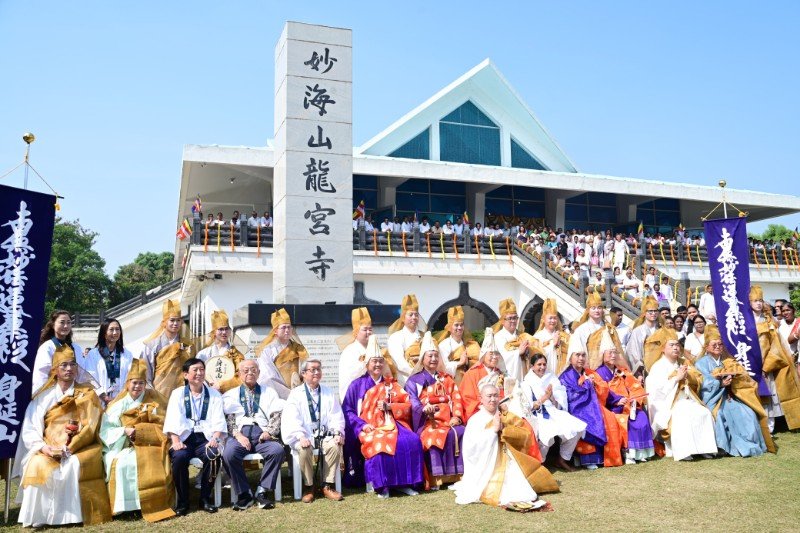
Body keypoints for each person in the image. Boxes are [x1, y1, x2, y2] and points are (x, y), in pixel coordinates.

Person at [13, 344, 112, 527]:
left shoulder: (87, 394)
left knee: (73, 465)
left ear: (77, 368)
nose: (68, 369)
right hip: (48, 447)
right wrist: (44, 448)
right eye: (64, 365)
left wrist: (71, 447)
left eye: (72, 365)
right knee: (37, 464)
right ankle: (39, 518)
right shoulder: (43, 397)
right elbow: (31, 427)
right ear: (55, 370)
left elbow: (91, 426)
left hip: (80, 446)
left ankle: (71, 517)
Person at [342, 337, 424, 498]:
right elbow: (348, 410)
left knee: (411, 440)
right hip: (369, 426)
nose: (378, 364)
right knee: (380, 443)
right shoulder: (356, 385)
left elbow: (406, 405)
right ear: (366, 364)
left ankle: (405, 483)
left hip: (394, 424)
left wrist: (391, 407)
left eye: (380, 361)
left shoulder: (391, 384)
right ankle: (383, 485)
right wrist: (362, 426)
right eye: (374, 361)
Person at [452, 384, 555, 511]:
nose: (493, 399)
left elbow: (521, 431)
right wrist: (493, 431)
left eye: (496, 396)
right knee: (504, 494)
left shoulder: (504, 414)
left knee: (526, 493)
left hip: (507, 460)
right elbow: (471, 449)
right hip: (486, 468)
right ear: (481, 398)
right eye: (489, 396)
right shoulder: (475, 420)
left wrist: (506, 429)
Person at [100, 359, 174, 522]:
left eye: (141, 383)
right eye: (134, 383)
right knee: (122, 464)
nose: (137, 387)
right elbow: (105, 430)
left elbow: (163, 424)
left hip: (150, 444)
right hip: (124, 446)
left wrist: (142, 432)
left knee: (145, 462)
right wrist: (124, 431)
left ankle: (146, 503)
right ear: (127, 384)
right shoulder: (117, 405)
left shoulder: (154, 402)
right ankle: (124, 507)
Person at [695, 328, 773, 457]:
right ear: (707, 347)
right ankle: (723, 447)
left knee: (747, 412)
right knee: (720, 415)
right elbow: (702, 383)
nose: (718, 347)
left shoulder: (728, 361)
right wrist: (720, 383)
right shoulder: (700, 363)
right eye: (714, 345)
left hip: (730, 397)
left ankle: (750, 443)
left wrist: (734, 380)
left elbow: (744, 377)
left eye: (720, 344)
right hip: (713, 399)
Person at [163, 358, 227, 515]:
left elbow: (219, 420)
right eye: (195, 370)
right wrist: (176, 441)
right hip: (184, 438)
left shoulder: (214, 395)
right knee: (179, 458)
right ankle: (183, 502)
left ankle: (205, 498)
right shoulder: (177, 394)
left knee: (213, 456)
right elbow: (172, 418)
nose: (199, 373)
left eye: (202, 370)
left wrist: (215, 439)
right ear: (186, 375)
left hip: (205, 438)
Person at [222, 359, 286, 510]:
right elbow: (228, 420)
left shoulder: (269, 392)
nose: (250, 373)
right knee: (229, 454)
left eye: (253, 370)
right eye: (245, 370)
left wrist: (269, 432)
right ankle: (244, 493)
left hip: (261, 433)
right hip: (240, 434)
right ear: (238, 373)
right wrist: (238, 435)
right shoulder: (231, 394)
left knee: (277, 450)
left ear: (259, 373)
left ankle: (262, 490)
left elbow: (276, 414)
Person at [645, 328, 717, 461]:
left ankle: (705, 449)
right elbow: (656, 392)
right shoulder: (658, 366)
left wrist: (688, 376)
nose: (675, 348)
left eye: (677, 345)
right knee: (683, 414)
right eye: (671, 345)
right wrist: (676, 379)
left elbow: (698, 379)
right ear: (663, 349)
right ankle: (685, 451)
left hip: (687, 398)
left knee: (703, 412)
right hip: (669, 403)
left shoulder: (684, 362)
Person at [404, 332, 465, 489]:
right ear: (423, 359)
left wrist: (457, 417)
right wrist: (424, 410)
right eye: (430, 356)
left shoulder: (447, 379)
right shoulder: (414, 380)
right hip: (428, 422)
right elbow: (412, 402)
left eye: (436, 356)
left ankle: (459, 476)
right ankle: (436, 478)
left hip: (449, 420)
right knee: (433, 436)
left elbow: (457, 398)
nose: (433, 359)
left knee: (461, 431)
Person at [282, 359, 345, 502]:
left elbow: (336, 415)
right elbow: (292, 418)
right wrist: (300, 436)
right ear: (303, 374)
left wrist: (337, 432)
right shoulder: (296, 394)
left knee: (334, 445)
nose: (316, 372)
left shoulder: (328, 392)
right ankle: (309, 486)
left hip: (324, 435)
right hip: (303, 435)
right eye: (313, 370)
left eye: (319, 369)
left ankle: (327, 485)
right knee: (304, 448)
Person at [509, 353, 585, 471]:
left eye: (544, 364)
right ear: (532, 366)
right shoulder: (526, 383)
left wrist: (552, 397)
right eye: (539, 364)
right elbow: (528, 407)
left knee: (577, 428)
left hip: (553, 411)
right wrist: (544, 397)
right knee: (547, 435)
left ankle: (562, 459)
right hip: (538, 415)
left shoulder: (552, 378)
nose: (542, 367)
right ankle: (541, 463)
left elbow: (561, 400)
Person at [559, 337, 626, 469]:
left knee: (609, 418)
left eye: (583, 355)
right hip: (577, 409)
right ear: (571, 358)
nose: (581, 358)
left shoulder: (590, 373)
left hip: (594, 406)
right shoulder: (565, 376)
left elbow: (604, 388)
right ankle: (587, 459)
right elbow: (571, 396)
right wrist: (587, 384)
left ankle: (605, 457)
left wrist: (616, 399)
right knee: (589, 420)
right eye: (577, 355)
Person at [593, 330, 655, 464]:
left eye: (614, 352)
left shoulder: (622, 370)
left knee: (641, 416)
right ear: (602, 355)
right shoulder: (599, 372)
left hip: (627, 403)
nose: (612, 355)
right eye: (609, 353)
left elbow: (633, 385)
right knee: (626, 420)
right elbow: (602, 390)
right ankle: (628, 453)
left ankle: (640, 452)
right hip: (611, 406)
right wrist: (617, 400)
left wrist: (633, 398)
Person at [751, 285, 800, 431]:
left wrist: (768, 364)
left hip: (768, 362)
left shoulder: (769, 320)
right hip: (752, 362)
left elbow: (777, 345)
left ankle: (770, 428)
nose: (759, 303)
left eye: (760, 300)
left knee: (770, 394)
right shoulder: (745, 321)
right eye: (755, 301)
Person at [32, 310, 100, 397]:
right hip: (52, 396)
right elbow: (41, 376)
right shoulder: (47, 347)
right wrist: (43, 397)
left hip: (74, 395)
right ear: (53, 325)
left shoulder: (76, 348)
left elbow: (81, 374)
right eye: (62, 322)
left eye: (68, 323)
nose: (66, 326)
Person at [141, 300, 193, 400]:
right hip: (159, 392)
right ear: (164, 322)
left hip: (182, 392)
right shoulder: (152, 345)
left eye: (178, 320)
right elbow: (147, 372)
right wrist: (150, 392)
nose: (175, 323)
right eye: (172, 320)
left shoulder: (187, 344)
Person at [255, 308, 309, 399]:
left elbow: (305, 369)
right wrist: (287, 393)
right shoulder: (268, 350)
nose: (287, 330)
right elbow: (268, 376)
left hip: (298, 392)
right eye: (283, 327)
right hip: (277, 394)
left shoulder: (299, 348)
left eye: (289, 327)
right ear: (275, 331)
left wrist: (300, 386)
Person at [459, 328, 509, 421]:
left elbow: (505, 395)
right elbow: (467, 399)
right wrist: (486, 408)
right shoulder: (472, 373)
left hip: (500, 410)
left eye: (496, 354)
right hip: (479, 412)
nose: (494, 357)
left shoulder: (500, 374)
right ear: (483, 355)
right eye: (491, 354)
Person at [197, 310, 245, 393]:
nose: (224, 332)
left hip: (229, 393)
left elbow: (241, 376)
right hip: (206, 393)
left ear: (230, 331)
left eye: (226, 329)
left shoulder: (236, 355)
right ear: (214, 332)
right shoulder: (203, 354)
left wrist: (223, 385)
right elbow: (197, 374)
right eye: (220, 329)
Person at [90, 318, 134, 403]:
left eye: (117, 329)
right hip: (99, 401)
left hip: (121, 401)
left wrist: (122, 397)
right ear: (104, 333)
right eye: (111, 329)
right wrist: (105, 398)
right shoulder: (93, 354)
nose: (115, 332)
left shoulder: (127, 354)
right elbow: (90, 378)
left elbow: (131, 377)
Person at [493, 298, 538, 383]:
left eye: (515, 318)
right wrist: (518, 352)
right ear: (502, 321)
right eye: (510, 318)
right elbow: (501, 359)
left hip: (524, 373)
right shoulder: (498, 337)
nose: (513, 321)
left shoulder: (521, 335)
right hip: (508, 377)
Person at [435, 305, 480, 385]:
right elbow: (442, 367)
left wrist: (467, 362)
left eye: (461, 325)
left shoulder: (469, 343)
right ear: (449, 327)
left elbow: (477, 363)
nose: (459, 328)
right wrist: (459, 363)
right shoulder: (444, 345)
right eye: (456, 325)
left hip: (468, 381)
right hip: (451, 383)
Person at [387, 294, 424, 384]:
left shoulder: (424, 336)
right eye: (410, 315)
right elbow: (399, 362)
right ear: (403, 317)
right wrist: (415, 372)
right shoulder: (396, 337)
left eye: (416, 315)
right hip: (405, 380)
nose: (414, 317)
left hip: (424, 377)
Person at [532, 299, 569, 376]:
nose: (553, 321)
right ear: (544, 319)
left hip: (561, 373)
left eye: (555, 318)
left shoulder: (563, 335)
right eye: (550, 318)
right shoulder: (538, 337)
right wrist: (553, 344)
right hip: (545, 373)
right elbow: (536, 358)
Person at [626, 296, 660, 375]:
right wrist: (639, 371)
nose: (653, 313)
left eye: (655, 311)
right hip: (644, 368)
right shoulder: (638, 331)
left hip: (660, 367)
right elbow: (634, 353)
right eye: (650, 311)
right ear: (645, 313)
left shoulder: (660, 330)